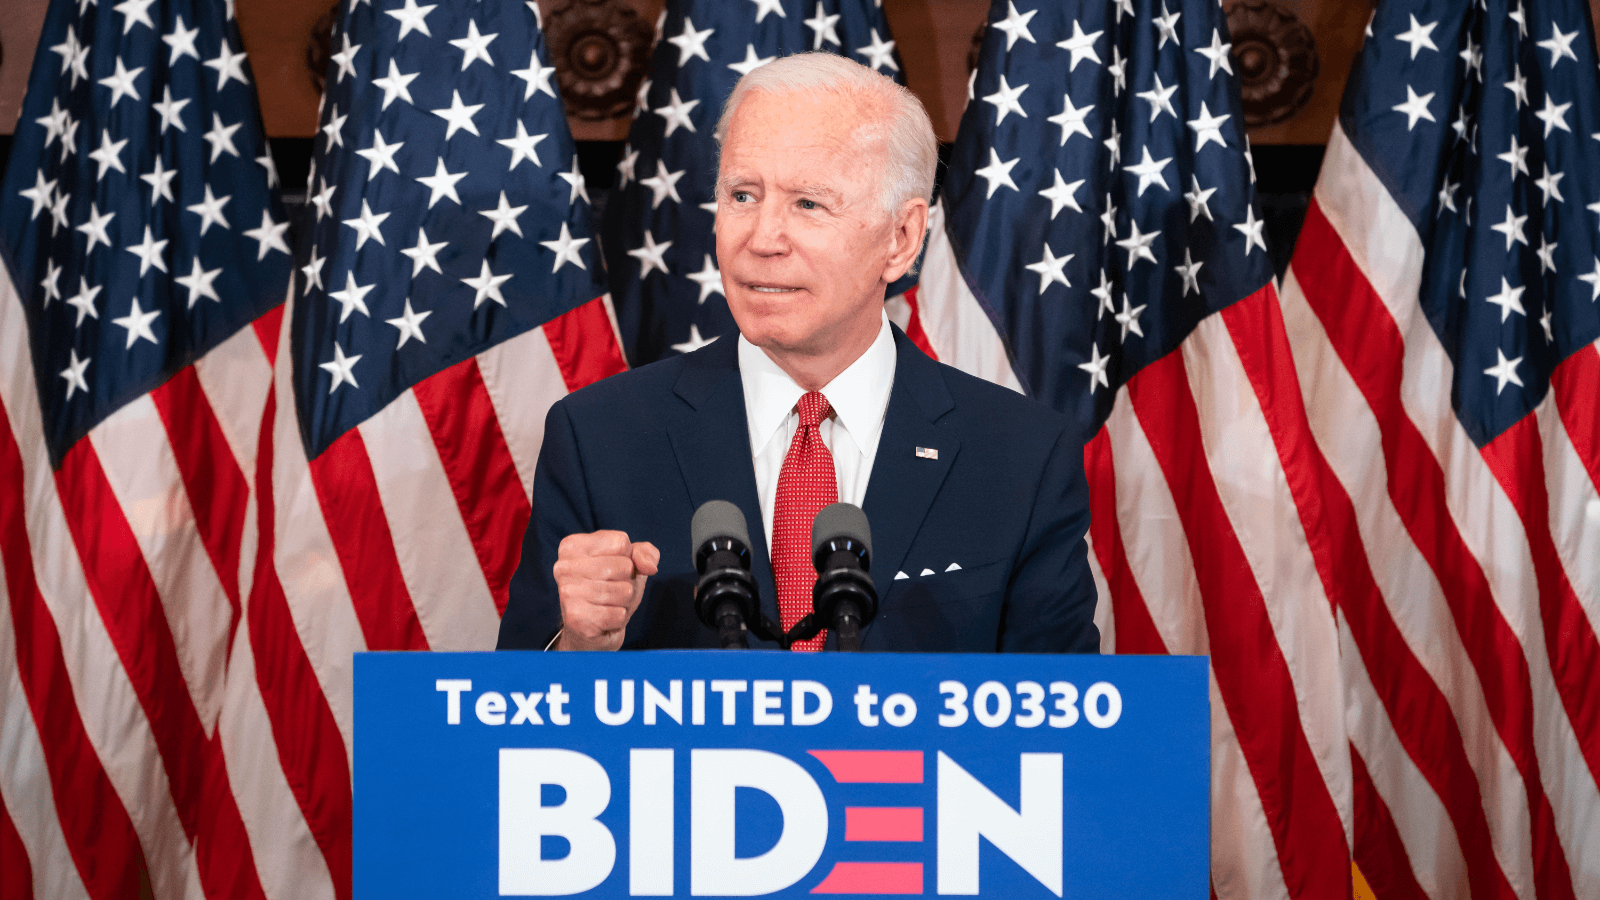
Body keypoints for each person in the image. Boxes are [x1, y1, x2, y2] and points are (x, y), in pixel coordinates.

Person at [497, 53, 1098, 653]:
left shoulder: (1023, 459)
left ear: (901, 238)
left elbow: (1065, 725)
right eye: (742, 195)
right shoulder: (600, 438)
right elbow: (509, 719)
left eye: (807, 204)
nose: (761, 239)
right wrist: (577, 645)